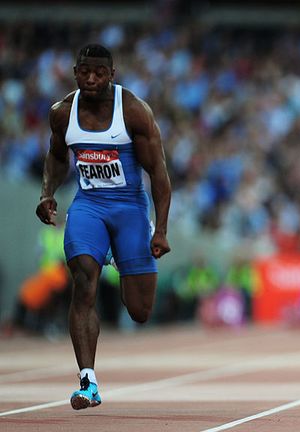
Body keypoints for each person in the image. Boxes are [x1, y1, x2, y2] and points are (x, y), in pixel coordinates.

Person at [35, 44, 172, 410]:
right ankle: (88, 381)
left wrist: (160, 229)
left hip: (129, 208)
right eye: (85, 72)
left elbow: (158, 172)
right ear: (75, 73)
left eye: (99, 73)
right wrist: (47, 192)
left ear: (112, 74)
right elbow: (56, 155)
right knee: (83, 281)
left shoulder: (133, 112)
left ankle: (117, 253)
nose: (91, 79)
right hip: (89, 206)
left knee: (140, 311)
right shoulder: (63, 113)